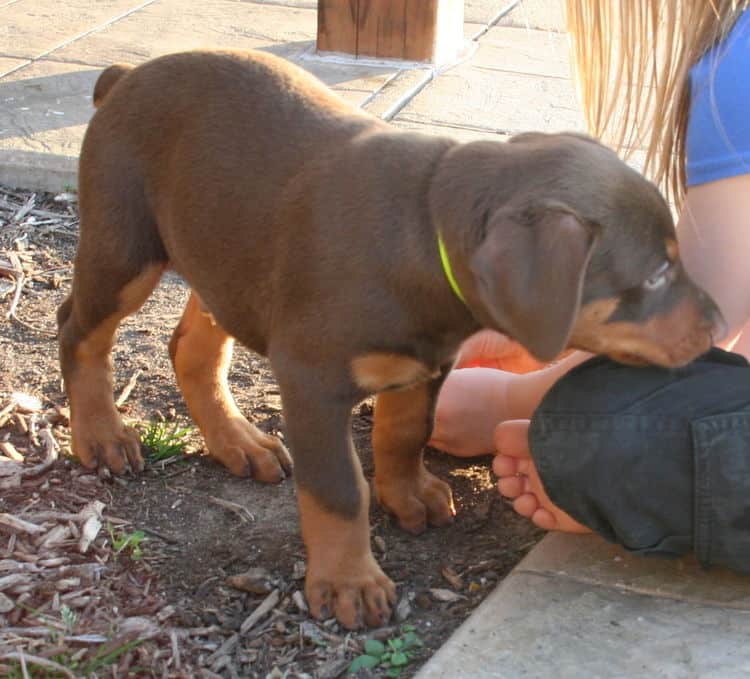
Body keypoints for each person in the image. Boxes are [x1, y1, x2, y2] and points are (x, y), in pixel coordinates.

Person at [430, 0, 750, 571]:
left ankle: (639, 497)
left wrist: (511, 400)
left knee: (601, 436)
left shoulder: (739, 64)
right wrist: (566, 339)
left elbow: (693, 331)